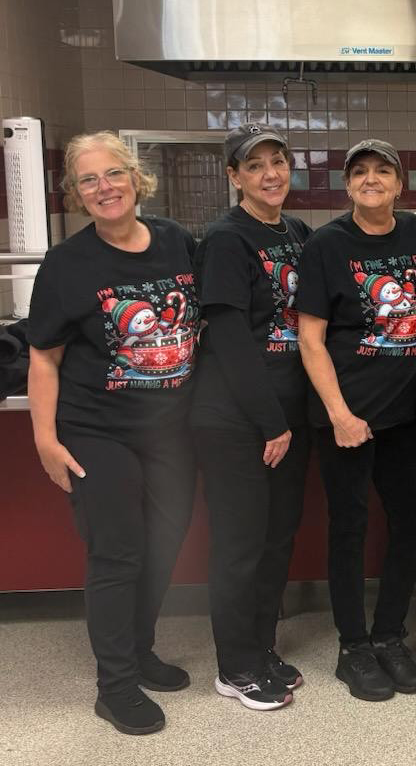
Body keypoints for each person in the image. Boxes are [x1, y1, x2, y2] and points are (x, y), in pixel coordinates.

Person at [27, 131, 199, 735]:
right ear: (76, 193)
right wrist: (46, 439)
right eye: (89, 181)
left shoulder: (177, 241)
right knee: (118, 552)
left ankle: (141, 651)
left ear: (135, 179)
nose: (105, 188)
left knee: (163, 546)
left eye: (113, 175)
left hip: (170, 432)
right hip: (98, 431)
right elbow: (43, 357)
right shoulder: (67, 264)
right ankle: (115, 685)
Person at [296, 139, 416, 702]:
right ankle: (353, 647)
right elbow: (311, 338)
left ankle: (390, 636)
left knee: (412, 525)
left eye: (382, 171)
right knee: (350, 530)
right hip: (347, 417)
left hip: (403, 415)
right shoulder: (328, 245)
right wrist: (339, 415)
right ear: (347, 185)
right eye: (360, 172)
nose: (371, 179)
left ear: (399, 184)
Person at [190, 123, 313, 710]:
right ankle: (233, 666)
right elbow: (232, 340)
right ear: (234, 176)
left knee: (275, 539)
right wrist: (271, 423)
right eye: (256, 165)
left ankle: (261, 647)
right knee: (240, 544)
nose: (271, 173)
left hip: (285, 415)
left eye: (278, 161)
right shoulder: (226, 239)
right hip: (238, 419)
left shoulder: (295, 232)